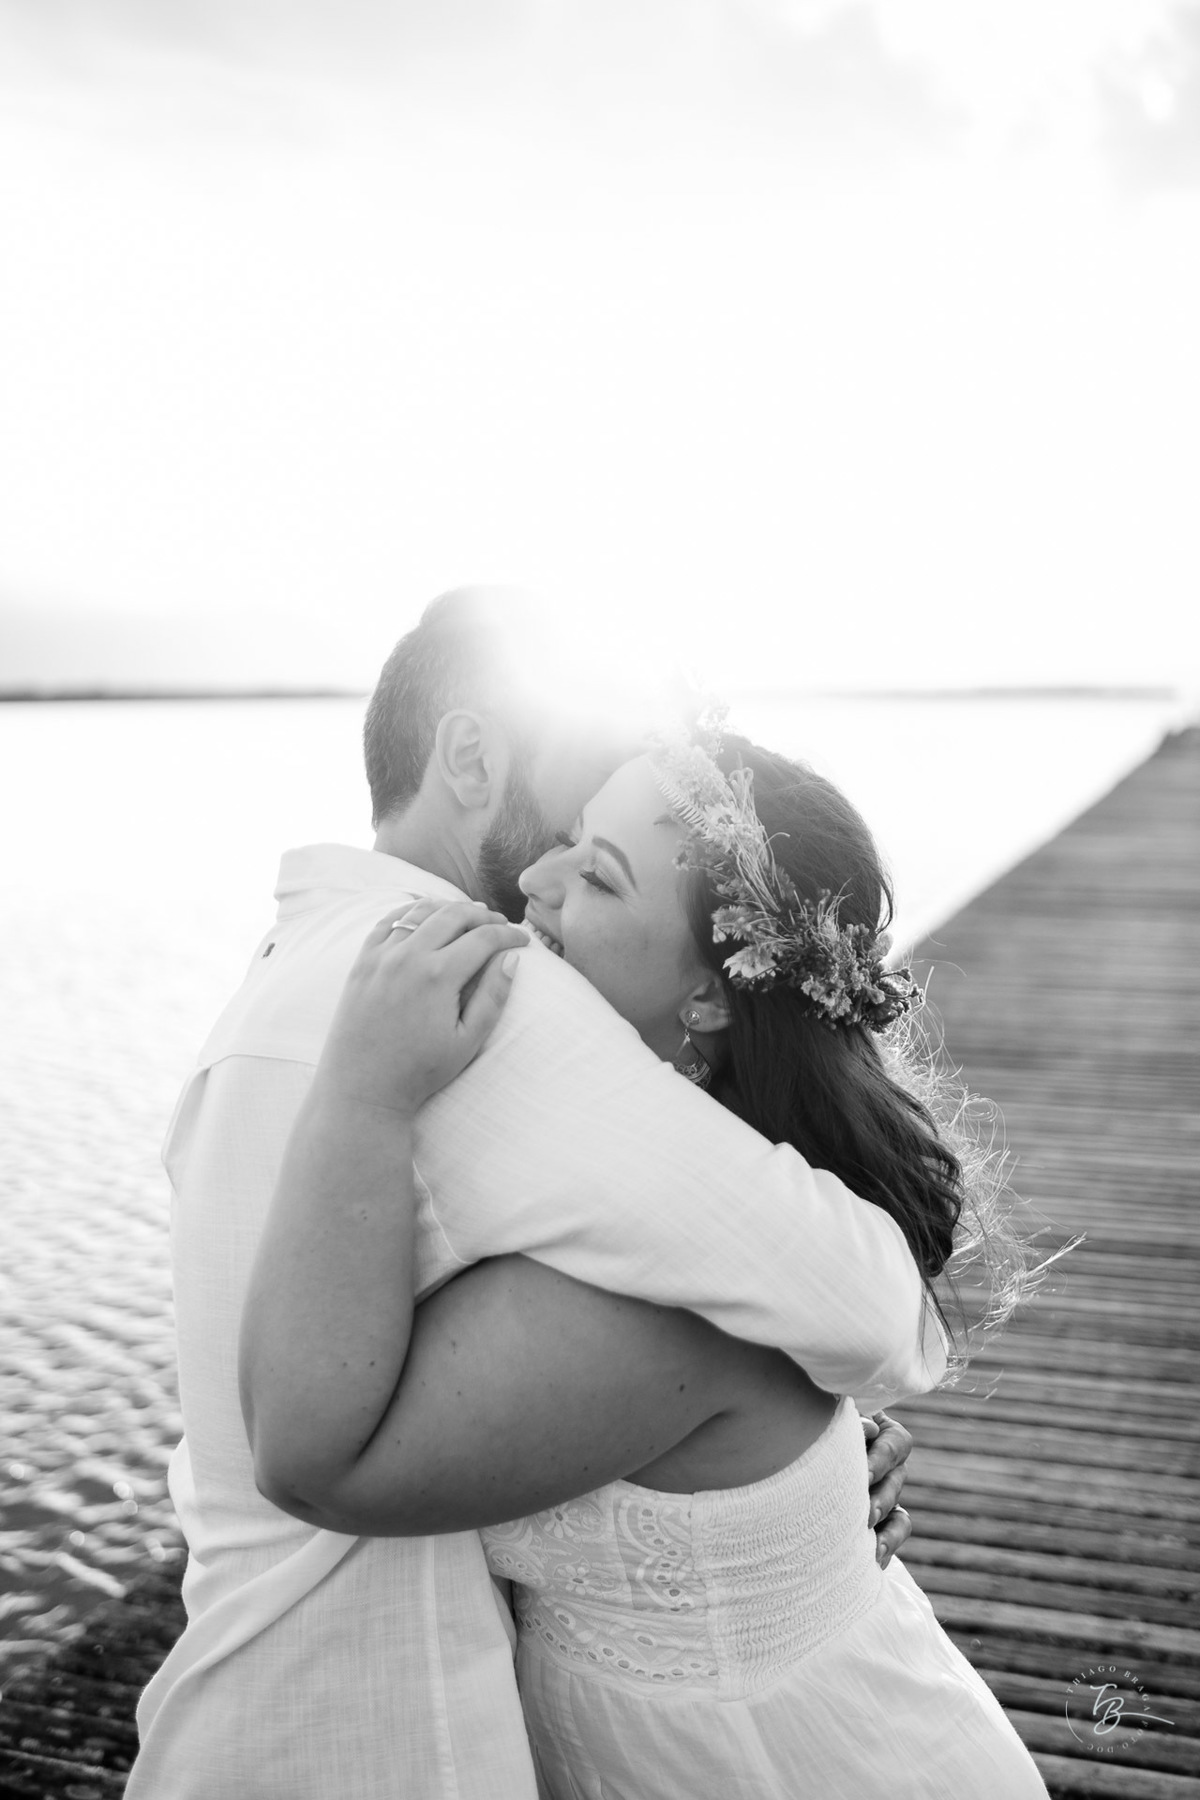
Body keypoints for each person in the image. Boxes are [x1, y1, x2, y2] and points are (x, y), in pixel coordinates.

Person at [126, 589, 940, 1800]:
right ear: (471, 755)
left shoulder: (284, 970)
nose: (552, 866)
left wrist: (798, 1470)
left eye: (599, 864)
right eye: (579, 794)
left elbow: (699, 1298)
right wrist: (845, 1376)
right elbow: (856, 1293)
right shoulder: (463, 986)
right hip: (378, 1744)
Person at [242, 729, 1049, 1797]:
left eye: (597, 875)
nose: (534, 878)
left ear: (709, 997)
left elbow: (307, 1460)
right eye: (572, 837)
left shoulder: (667, 1294)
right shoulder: (692, 1185)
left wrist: (362, 1090)